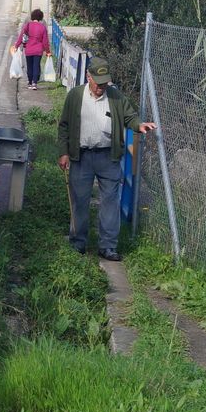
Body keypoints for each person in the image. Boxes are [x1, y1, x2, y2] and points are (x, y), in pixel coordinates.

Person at [56, 58, 155, 261]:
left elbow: (129, 117)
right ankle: (78, 242)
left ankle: (108, 246)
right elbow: (64, 125)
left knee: (110, 201)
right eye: (98, 82)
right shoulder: (75, 96)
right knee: (80, 200)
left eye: (104, 83)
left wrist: (139, 125)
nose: (101, 87)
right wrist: (64, 152)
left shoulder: (115, 96)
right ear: (88, 77)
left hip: (108, 156)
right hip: (81, 156)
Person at [12, 10, 49, 90]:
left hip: (29, 49)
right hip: (38, 50)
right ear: (41, 17)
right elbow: (45, 41)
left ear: (32, 17)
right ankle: (34, 83)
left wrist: (16, 46)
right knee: (36, 66)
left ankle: (29, 82)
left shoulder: (28, 25)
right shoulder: (43, 27)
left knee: (29, 66)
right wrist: (48, 52)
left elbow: (21, 37)